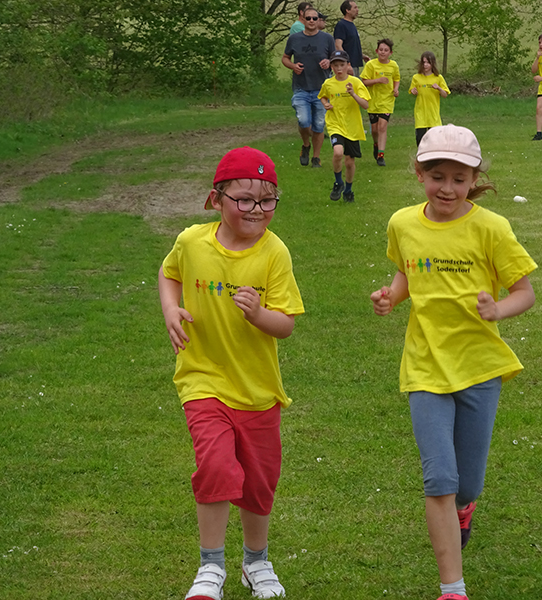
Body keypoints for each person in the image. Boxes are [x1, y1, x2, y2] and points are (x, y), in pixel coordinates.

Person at [369, 125, 537, 600]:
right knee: (439, 478)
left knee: (467, 483)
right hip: (424, 367)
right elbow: (406, 272)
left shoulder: (491, 228)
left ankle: (466, 507)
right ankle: (453, 588)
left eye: (459, 178)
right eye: (436, 175)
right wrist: (391, 297)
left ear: (474, 179)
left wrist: (497, 309)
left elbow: (524, 291)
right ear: (419, 173)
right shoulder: (403, 223)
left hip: (480, 369)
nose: (447, 188)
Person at [159, 146, 305, 600]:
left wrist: (260, 314)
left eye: (267, 200)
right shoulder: (191, 242)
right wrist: (170, 308)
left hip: (258, 390)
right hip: (202, 378)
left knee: (259, 484)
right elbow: (169, 274)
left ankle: (256, 562)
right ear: (215, 200)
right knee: (217, 466)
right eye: (244, 199)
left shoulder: (274, 253)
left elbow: (286, 324)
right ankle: (211, 567)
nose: (257, 210)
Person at [283, 7, 335, 168]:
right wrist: (292, 65)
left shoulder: (327, 38)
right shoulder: (295, 39)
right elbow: (285, 58)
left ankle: (316, 158)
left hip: (322, 89)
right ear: (303, 20)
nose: (312, 21)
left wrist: (329, 62)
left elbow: (335, 58)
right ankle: (306, 145)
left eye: (315, 18)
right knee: (304, 121)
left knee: (319, 126)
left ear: (318, 20)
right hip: (301, 88)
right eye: (309, 18)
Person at [318, 50, 370, 203]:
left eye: (342, 65)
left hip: (352, 127)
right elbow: (323, 96)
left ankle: (348, 190)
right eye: (335, 65)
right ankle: (338, 182)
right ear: (331, 67)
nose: (339, 68)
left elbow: (366, 105)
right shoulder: (328, 83)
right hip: (335, 124)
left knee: (349, 162)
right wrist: (325, 104)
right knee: (338, 152)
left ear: (348, 65)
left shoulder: (356, 82)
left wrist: (353, 94)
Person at [360, 38, 400, 167]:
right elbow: (364, 82)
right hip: (373, 101)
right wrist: (377, 80)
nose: (383, 52)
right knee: (375, 129)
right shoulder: (371, 65)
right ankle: (376, 145)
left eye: (386, 50)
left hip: (387, 100)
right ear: (377, 51)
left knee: (383, 126)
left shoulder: (393, 65)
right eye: (381, 50)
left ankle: (381, 155)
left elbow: (396, 79)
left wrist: (395, 89)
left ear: (390, 53)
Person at [409, 51, 450, 147]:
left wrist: (439, 88)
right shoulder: (416, 77)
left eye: (428, 62)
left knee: (435, 141)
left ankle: (434, 159)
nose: (425, 65)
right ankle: (421, 159)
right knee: (420, 140)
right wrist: (413, 91)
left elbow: (445, 95)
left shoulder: (438, 78)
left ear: (432, 64)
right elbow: (412, 91)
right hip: (420, 114)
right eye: (424, 62)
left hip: (433, 115)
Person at [334, 1, 369, 76]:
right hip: (348, 66)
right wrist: (346, 63)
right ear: (347, 10)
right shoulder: (341, 25)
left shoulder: (352, 25)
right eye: (355, 8)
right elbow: (338, 45)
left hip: (355, 64)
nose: (357, 10)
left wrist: (362, 55)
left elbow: (351, 45)